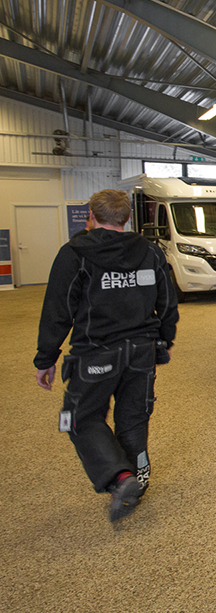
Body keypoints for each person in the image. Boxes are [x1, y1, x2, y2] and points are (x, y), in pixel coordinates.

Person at [34, 189, 179, 521]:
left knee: (78, 418)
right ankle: (137, 478)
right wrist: (164, 341)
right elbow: (167, 302)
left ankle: (122, 478)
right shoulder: (150, 251)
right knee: (134, 418)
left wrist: (45, 359)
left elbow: (57, 310)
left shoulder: (74, 254)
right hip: (141, 352)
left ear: (91, 215)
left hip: (95, 354)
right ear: (127, 217)